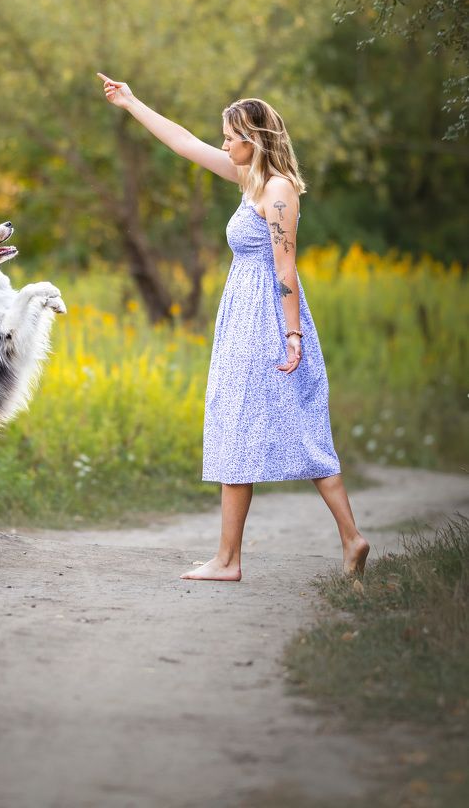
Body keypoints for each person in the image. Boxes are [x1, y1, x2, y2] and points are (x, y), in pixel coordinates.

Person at [96, 72, 371, 582]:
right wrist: (132, 101)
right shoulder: (250, 180)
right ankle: (342, 540)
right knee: (264, 429)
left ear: (254, 140)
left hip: (264, 322)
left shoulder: (279, 191)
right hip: (242, 318)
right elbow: (183, 142)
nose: (223, 144)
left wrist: (293, 337)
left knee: (250, 429)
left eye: (231, 137)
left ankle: (232, 560)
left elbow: (286, 268)